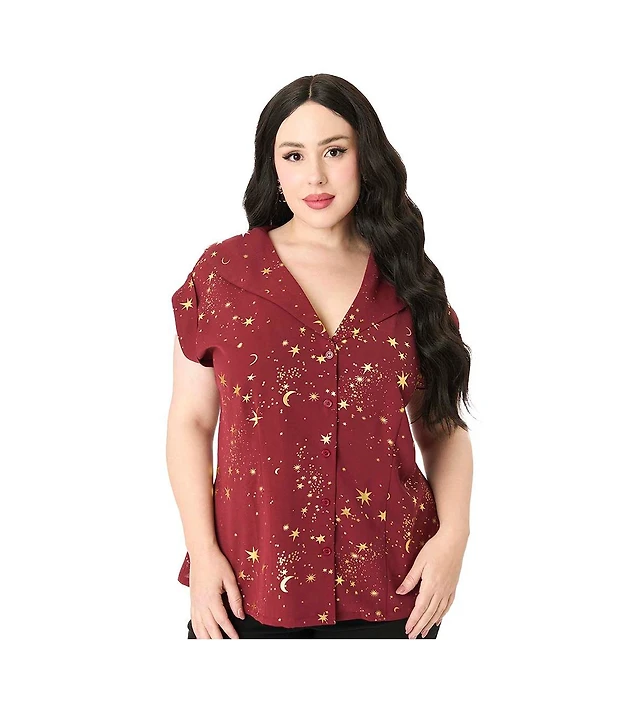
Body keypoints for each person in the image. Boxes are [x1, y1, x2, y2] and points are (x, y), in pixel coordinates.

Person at [167, 74, 473, 639]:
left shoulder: (411, 281)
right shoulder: (223, 274)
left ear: (366, 157)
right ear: (273, 167)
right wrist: (202, 553)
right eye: (294, 155)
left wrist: (453, 538)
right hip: (245, 587)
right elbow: (190, 421)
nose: (315, 175)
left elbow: (440, 425)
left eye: (334, 151)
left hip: (395, 588)